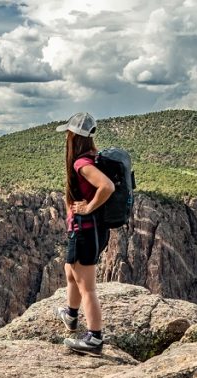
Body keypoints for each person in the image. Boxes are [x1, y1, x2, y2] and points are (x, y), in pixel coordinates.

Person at [54, 112, 114, 355]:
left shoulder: (82, 164)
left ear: (73, 137)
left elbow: (107, 186)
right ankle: (70, 314)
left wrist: (88, 207)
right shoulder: (91, 157)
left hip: (85, 232)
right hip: (87, 230)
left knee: (86, 286)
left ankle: (94, 339)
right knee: (71, 271)